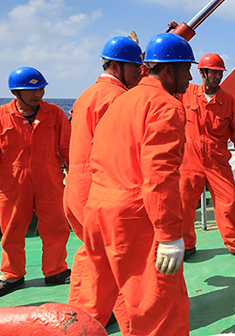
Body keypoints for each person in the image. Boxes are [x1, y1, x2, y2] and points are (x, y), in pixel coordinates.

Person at [72, 33, 193, 335]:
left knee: (93, 300)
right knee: (159, 308)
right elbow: (160, 175)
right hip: (134, 218)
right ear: (170, 70)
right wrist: (169, 235)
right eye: (187, 69)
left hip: (98, 210)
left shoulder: (123, 100)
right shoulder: (165, 106)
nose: (190, 78)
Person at [65, 36, 143, 326]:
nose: (138, 73)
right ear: (116, 66)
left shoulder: (87, 94)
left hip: (76, 185)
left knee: (91, 254)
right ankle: (122, 322)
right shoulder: (117, 98)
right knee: (115, 258)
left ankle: (80, 319)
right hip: (98, 186)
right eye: (134, 67)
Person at [0, 67, 71, 300]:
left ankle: (56, 270)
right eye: (32, 90)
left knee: (56, 226)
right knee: (11, 229)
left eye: (41, 89)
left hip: (49, 178)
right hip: (12, 181)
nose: (38, 94)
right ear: (15, 92)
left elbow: (68, 146)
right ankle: (12, 275)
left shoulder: (55, 114)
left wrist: (73, 171)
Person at [179, 53, 235, 261]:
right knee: (184, 205)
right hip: (189, 160)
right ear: (202, 73)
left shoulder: (227, 101)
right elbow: (156, 87)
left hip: (217, 162)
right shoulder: (185, 93)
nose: (218, 77)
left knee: (229, 202)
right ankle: (187, 245)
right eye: (214, 73)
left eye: (220, 73)